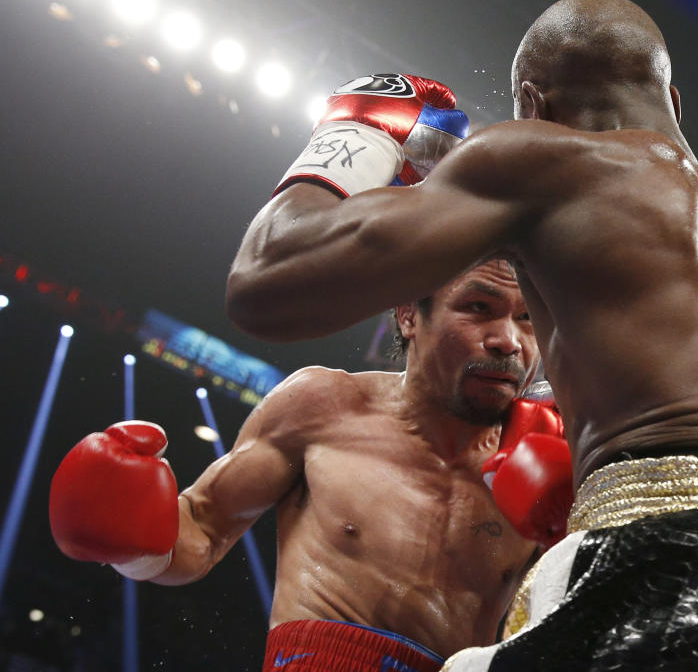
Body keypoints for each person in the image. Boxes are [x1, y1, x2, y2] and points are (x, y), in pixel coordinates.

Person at [223, 0, 698, 672]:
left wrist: (357, 128)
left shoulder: (548, 161)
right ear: (671, 101)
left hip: (683, 575)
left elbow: (269, 278)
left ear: (533, 106)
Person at [48, 74, 575, 672]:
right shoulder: (324, 406)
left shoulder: (558, 452)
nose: (508, 339)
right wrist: (134, 540)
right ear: (408, 313)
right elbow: (202, 528)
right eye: (478, 308)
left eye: (530, 319)